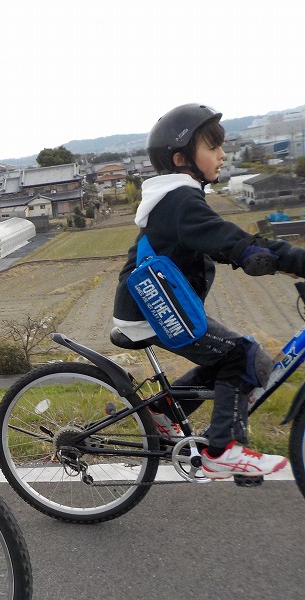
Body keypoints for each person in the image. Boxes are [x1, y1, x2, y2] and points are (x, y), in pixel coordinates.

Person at [112, 103, 305, 479]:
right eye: (212, 147)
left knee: (229, 358)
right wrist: (252, 252)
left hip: (153, 305)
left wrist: (254, 254)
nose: (222, 154)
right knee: (243, 356)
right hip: (154, 310)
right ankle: (223, 450)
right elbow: (231, 239)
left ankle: (161, 411)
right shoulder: (181, 201)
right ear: (181, 158)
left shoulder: (177, 198)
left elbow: (215, 241)